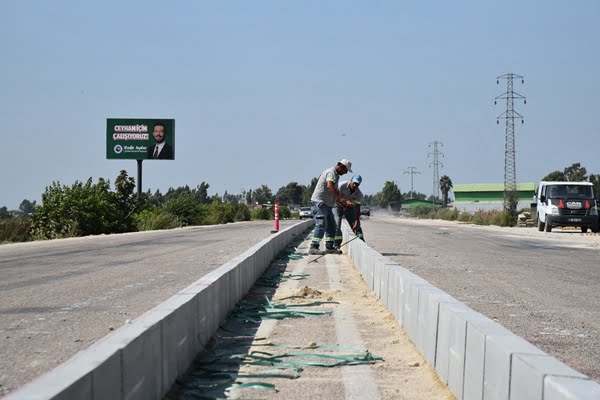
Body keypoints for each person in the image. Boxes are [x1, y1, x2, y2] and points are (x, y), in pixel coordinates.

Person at [309, 159, 353, 255]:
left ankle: (329, 247)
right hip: (319, 203)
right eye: (345, 170)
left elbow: (335, 192)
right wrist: (341, 200)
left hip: (327, 205)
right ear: (341, 166)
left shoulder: (336, 176)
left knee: (332, 226)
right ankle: (313, 246)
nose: (345, 173)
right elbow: (329, 186)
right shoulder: (331, 172)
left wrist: (343, 203)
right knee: (321, 223)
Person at [333, 174, 365, 249]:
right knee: (337, 223)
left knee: (356, 225)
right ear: (350, 180)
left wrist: (357, 220)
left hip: (349, 207)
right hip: (337, 206)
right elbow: (335, 196)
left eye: (357, 184)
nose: (354, 185)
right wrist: (345, 201)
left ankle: (361, 242)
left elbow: (357, 207)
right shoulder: (341, 186)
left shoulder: (359, 194)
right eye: (353, 182)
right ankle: (336, 244)